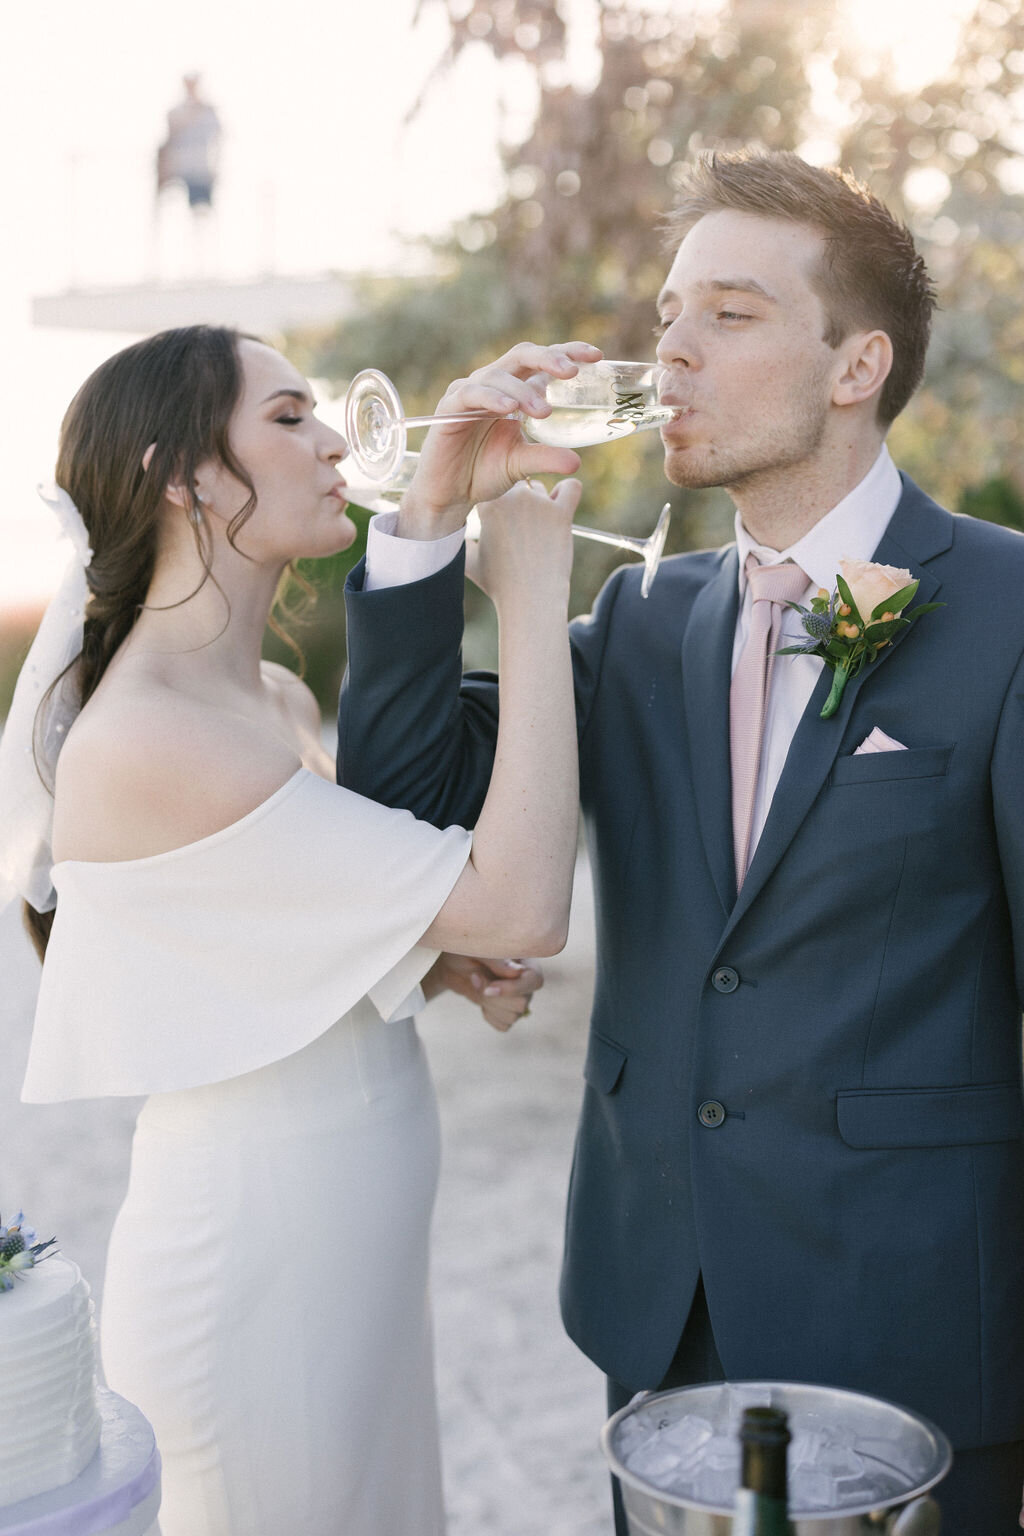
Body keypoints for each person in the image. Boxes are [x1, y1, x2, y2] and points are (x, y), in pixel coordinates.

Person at [336, 150, 1024, 1534]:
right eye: (665, 315)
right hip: (663, 1306)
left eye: (729, 312)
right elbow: (404, 800)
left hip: (920, 1324)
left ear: (855, 366)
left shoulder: (1009, 611)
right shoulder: (643, 624)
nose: (672, 350)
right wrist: (426, 527)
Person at [0, 323, 589, 1536]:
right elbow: (528, 899)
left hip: (350, 1231)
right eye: (288, 418)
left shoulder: (269, 696)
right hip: (258, 1255)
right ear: (184, 477)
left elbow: (263, 938)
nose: (332, 442)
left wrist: (426, 963)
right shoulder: (148, 736)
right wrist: (530, 599)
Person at [157, 74, 221, 210]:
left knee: (201, 213)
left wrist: (216, 169)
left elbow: (218, 141)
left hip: (201, 172)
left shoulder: (208, 112)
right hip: (178, 171)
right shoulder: (175, 112)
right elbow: (168, 142)